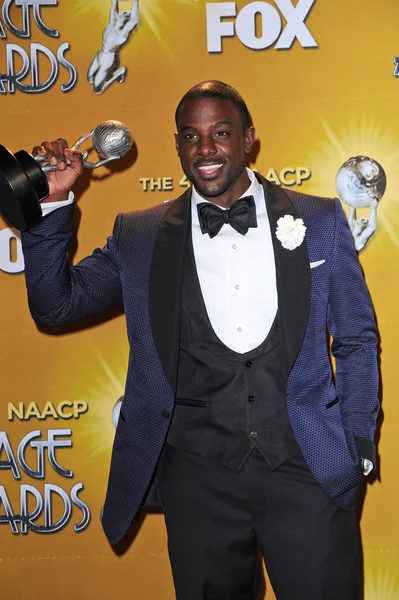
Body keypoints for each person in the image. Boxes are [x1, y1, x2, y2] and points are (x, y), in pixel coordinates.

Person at [21, 81, 379, 600]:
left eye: (221, 133)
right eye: (191, 136)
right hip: (198, 481)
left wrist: (356, 443)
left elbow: (355, 337)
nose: (205, 149)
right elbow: (56, 305)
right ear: (178, 146)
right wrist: (52, 204)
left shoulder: (319, 220)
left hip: (307, 467)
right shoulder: (140, 236)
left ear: (249, 139)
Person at [87, 0, 139, 94]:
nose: (124, 12)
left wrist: (135, 2)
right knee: (90, 79)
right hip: (99, 55)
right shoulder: (111, 24)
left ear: (125, 23)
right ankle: (112, 72)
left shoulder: (121, 35)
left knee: (97, 89)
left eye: (127, 14)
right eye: (124, 12)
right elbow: (114, 5)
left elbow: (134, 21)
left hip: (107, 60)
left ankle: (120, 71)